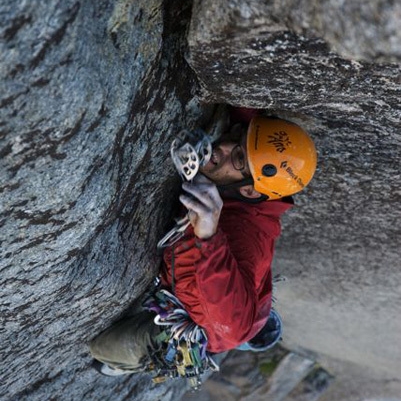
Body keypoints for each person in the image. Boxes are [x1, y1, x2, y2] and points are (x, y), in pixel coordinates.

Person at [89, 107, 317, 381]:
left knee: (102, 351)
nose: (223, 146)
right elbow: (246, 129)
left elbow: (231, 325)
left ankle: (121, 365)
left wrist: (209, 236)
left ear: (249, 191)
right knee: (247, 297)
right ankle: (259, 320)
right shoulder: (251, 181)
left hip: (211, 326)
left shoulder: (244, 240)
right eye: (238, 136)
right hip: (242, 297)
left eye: (239, 157)